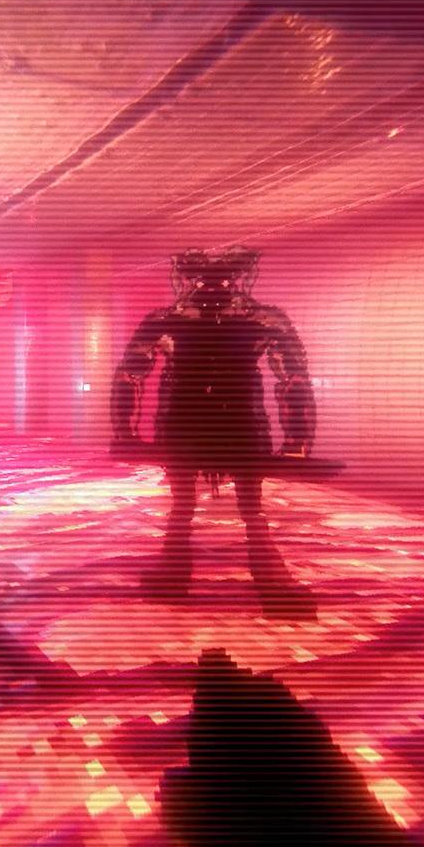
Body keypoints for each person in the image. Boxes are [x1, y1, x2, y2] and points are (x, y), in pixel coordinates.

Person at [111, 247, 318, 620]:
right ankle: (269, 587)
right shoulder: (263, 319)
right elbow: (293, 379)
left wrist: (127, 435)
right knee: (247, 510)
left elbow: (130, 374)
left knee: (190, 508)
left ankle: (175, 579)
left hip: (189, 426)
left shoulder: (167, 320)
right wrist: (296, 442)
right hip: (234, 426)